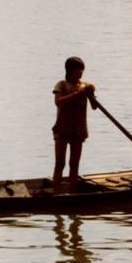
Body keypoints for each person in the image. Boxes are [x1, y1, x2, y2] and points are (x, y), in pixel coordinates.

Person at [52, 56, 95, 195]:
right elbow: (58, 102)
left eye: (82, 69)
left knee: (74, 164)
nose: (81, 72)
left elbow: (94, 106)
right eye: (78, 69)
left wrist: (91, 93)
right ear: (70, 71)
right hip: (62, 129)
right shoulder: (62, 85)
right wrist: (79, 94)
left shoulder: (84, 87)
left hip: (78, 131)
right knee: (60, 164)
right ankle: (56, 193)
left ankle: (73, 193)